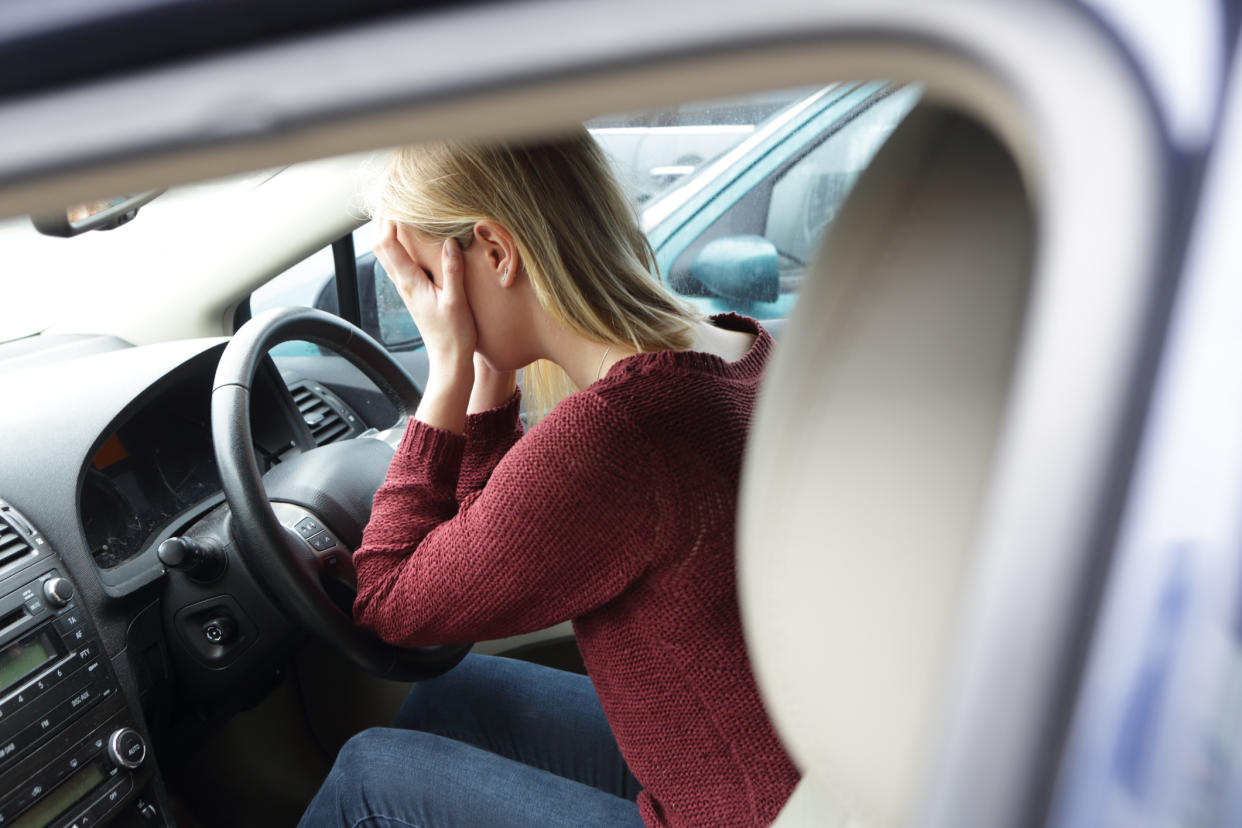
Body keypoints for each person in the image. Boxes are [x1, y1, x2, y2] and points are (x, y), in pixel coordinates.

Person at [299, 130, 799, 827]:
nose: (424, 306)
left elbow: (388, 603)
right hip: (787, 774)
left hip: (740, 815)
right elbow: (485, 544)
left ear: (496, 252)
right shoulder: (738, 347)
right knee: (455, 695)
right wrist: (489, 371)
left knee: (366, 779)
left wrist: (448, 374)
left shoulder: (617, 436)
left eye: (423, 281)